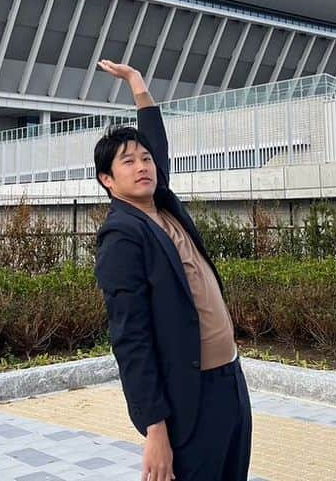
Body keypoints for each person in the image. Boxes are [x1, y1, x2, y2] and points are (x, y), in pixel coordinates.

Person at [93, 59, 252, 481]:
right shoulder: (122, 236)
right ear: (107, 180)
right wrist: (154, 428)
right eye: (128, 162)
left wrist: (138, 86)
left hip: (229, 381)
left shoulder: (162, 206)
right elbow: (131, 340)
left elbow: (156, 148)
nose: (142, 166)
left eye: (145, 159)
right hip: (189, 400)